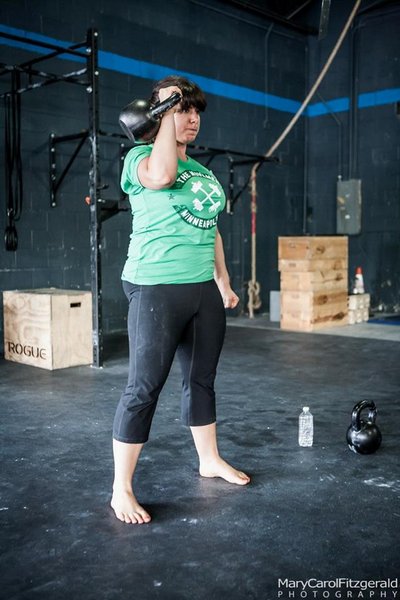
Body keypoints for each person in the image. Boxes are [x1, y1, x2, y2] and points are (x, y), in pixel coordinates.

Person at [111, 75, 250, 525]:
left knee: (202, 380)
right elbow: (163, 175)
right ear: (159, 115)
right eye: (180, 109)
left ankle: (209, 460)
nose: (192, 118)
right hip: (154, 287)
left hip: (200, 290)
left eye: (194, 111)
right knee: (144, 388)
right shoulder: (138, 159)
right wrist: (165, 115)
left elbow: (209, 230)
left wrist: (224, 282)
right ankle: (121, 489)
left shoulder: (204, 172)